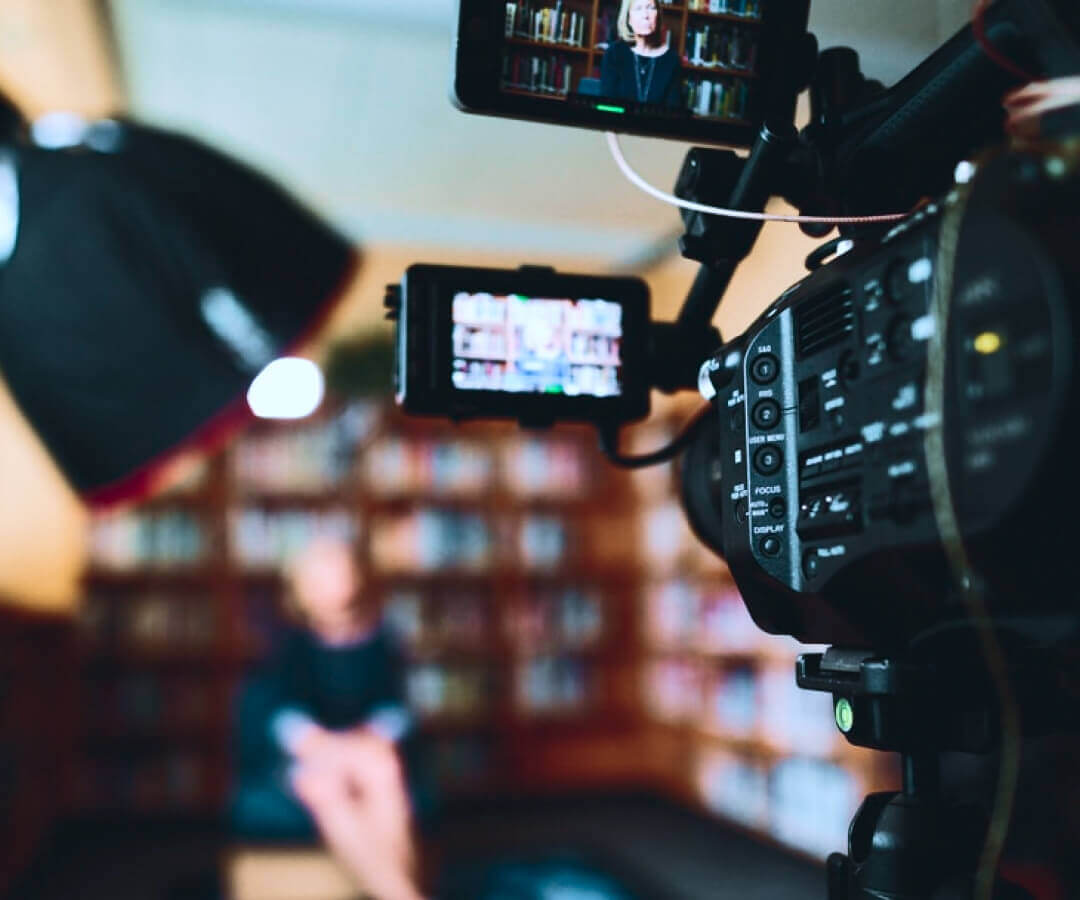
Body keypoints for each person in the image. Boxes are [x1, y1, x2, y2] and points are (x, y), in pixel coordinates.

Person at [230, 536, 431, 848]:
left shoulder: (380, 638)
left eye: (336, 573)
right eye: (316, 577)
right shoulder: (289, 642)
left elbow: (395, 706)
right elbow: (281, 711)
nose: (327, 585)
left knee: (382, 771)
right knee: (325, 786)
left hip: (366, 748)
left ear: (354, 578)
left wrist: (370, 736)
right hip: (312, 755)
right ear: (298, 587)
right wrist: (320, 744)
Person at [599, 0, 683, 108]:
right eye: (638, 9)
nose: (645, 15)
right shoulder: (614, 53)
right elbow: (606, 106)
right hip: (617, 124)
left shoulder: (672, 60)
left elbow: (673, 113)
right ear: (628, 19)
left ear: (658, 15)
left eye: (651, 8)